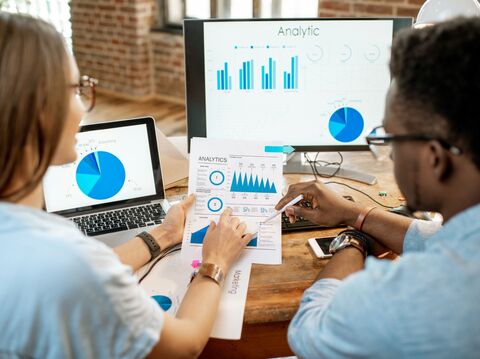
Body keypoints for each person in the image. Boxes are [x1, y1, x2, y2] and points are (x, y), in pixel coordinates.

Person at [0, 13, 253, 358]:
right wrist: (216, 261)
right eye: (77, 89)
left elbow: (87, 273)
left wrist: (162, 235)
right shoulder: (68, 261)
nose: (83, 105)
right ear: (39, 108)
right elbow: (185, 344)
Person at [278, 17, 480, 358]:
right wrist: (355, 214)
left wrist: (350, 242)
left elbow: (310, 331)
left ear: (434, 157)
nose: (389, 153)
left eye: (390, 138)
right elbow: (441, 237)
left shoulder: (416, 295)